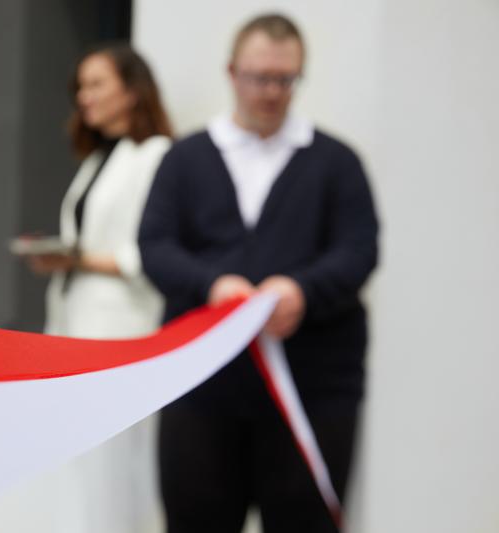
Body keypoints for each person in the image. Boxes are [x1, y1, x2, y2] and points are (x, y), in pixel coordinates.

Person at [138, 13, 379, 533]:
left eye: (284, 79)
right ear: (232, 72)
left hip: (312, 389)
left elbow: (359, 250)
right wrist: (212, 286)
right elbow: (154, 246)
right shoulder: (185, 159)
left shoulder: (337, 162)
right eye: (259, 77)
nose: (271, 92)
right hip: (201, 386)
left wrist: (302, 291)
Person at [27, 43, 173, 533]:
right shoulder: (96, 160)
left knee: (114, 470)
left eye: (96, 84)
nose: (83, 97)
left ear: (131, 92)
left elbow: (150, 252)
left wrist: (78, 258)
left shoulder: (155, 155)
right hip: (75, 324)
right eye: (80, 87)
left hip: (120, 331)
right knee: (81, 471)